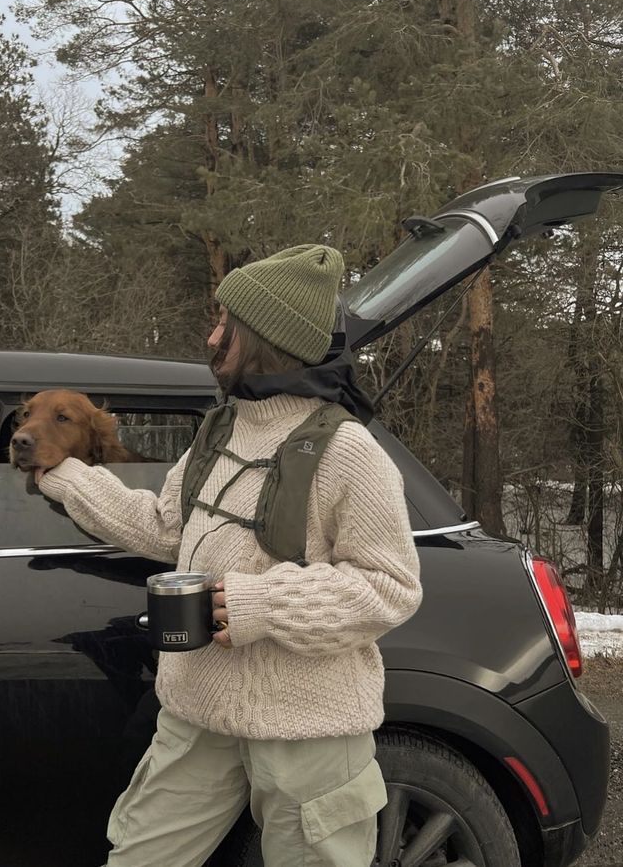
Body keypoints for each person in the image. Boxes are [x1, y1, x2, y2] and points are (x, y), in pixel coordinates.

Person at [34, 244, 422, 867]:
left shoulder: (350, 450)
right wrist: (65, 474)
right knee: (138, 857)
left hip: (308, 727)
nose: (212, 337)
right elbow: (165, 527)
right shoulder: (221, 430)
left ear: (264, 339)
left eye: (226, 327)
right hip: (198, 709)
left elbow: (389, 586)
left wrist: (254, 604)